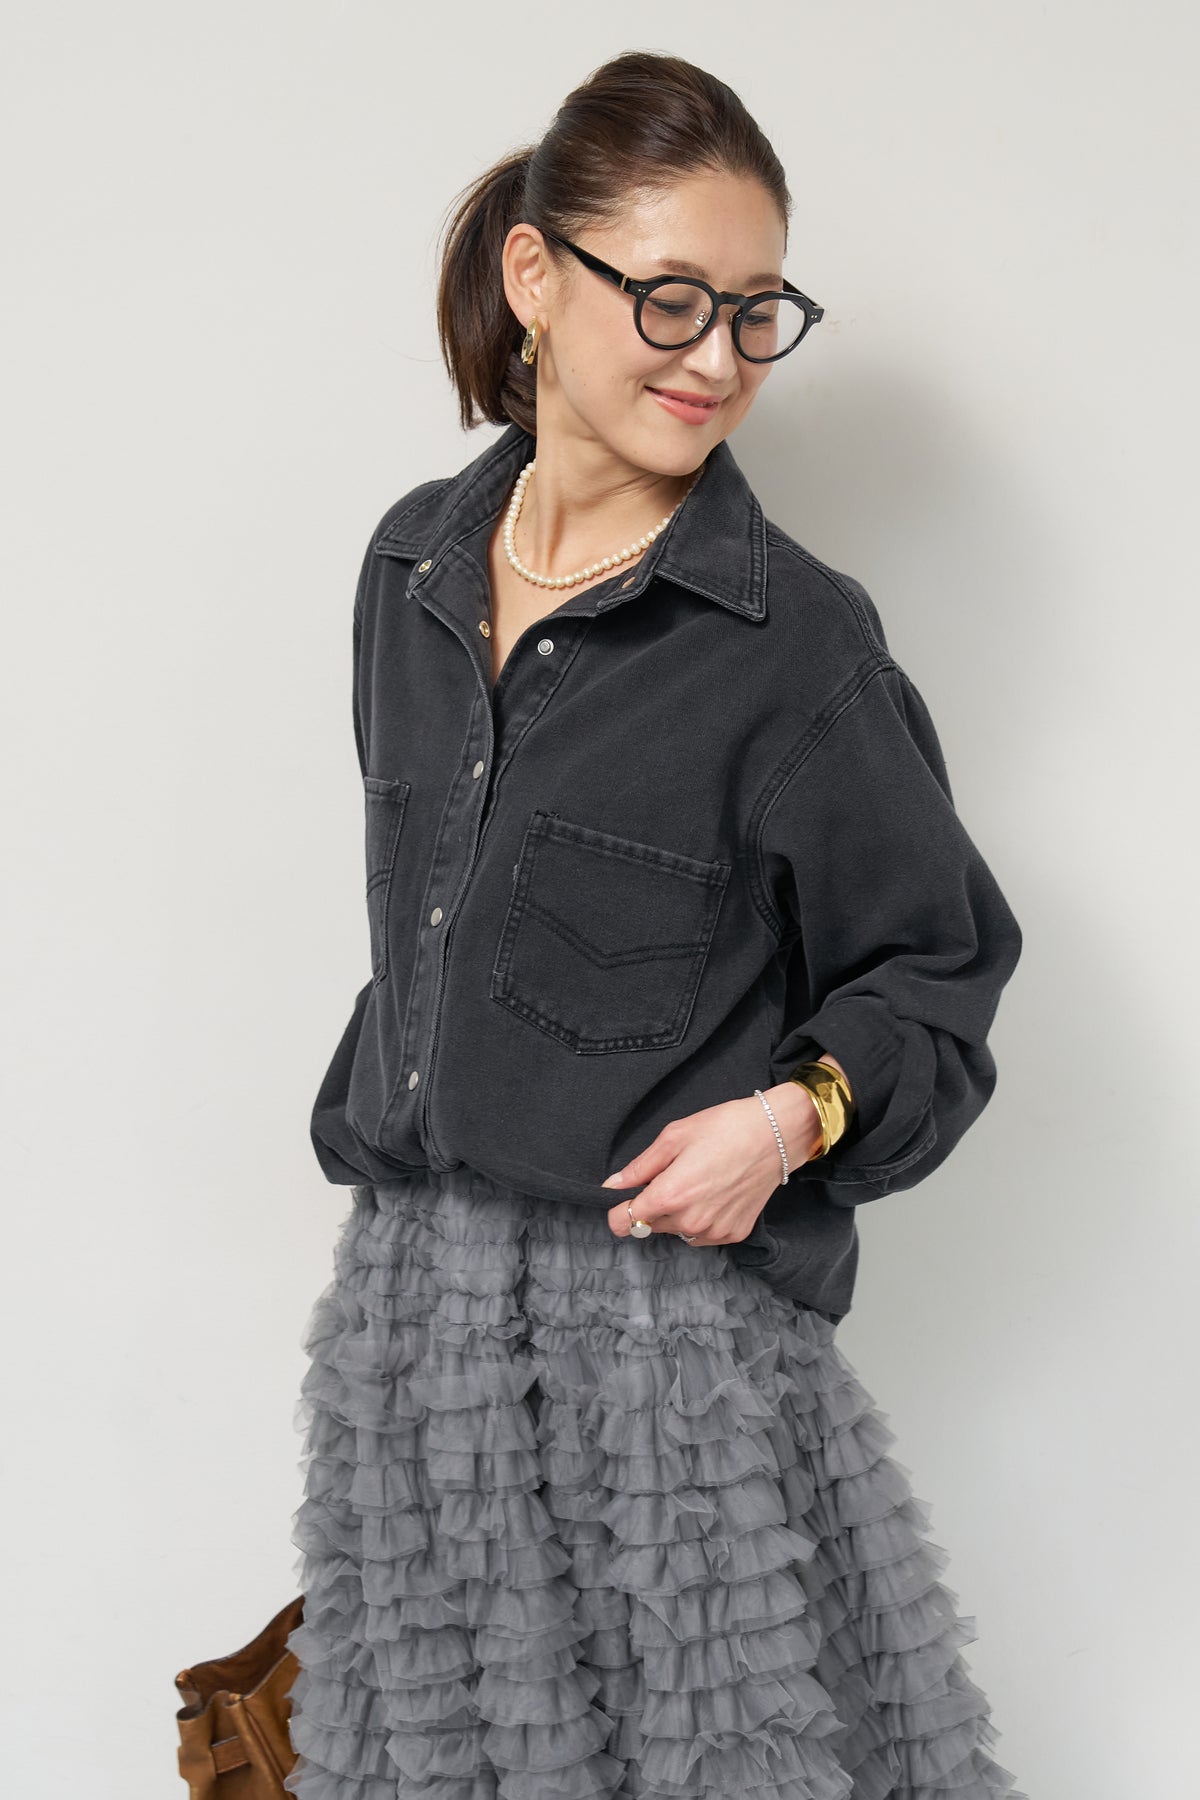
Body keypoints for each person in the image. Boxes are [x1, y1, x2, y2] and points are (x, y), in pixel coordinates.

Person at [283, 49, 1029, 1800]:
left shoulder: (793, 644)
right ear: (537, 279)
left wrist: (793, 1118)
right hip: (414, 1331)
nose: (718, 359)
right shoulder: (407, 573)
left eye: (759, 313)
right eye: (673, 298)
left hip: (659, 1354)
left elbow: (937, 976)